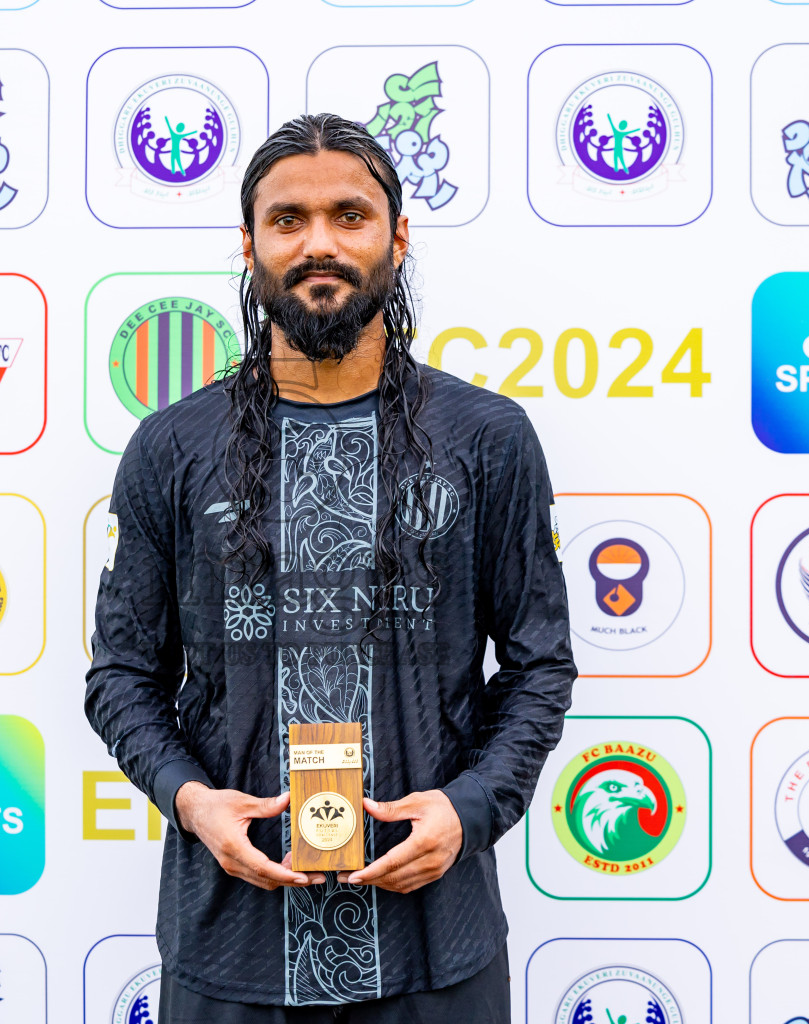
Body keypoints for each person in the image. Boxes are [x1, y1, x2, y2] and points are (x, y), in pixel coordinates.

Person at [85, 112, 577, 1023]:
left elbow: (539, 662)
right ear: (247, 244)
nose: (319, 243)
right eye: (287, 220)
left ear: (396, 237)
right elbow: (122, 675)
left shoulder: (486, 440)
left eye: (349, 216)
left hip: (437, 943)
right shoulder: (172, 447)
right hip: (229, 943)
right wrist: (193, 802)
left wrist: (469, 810)